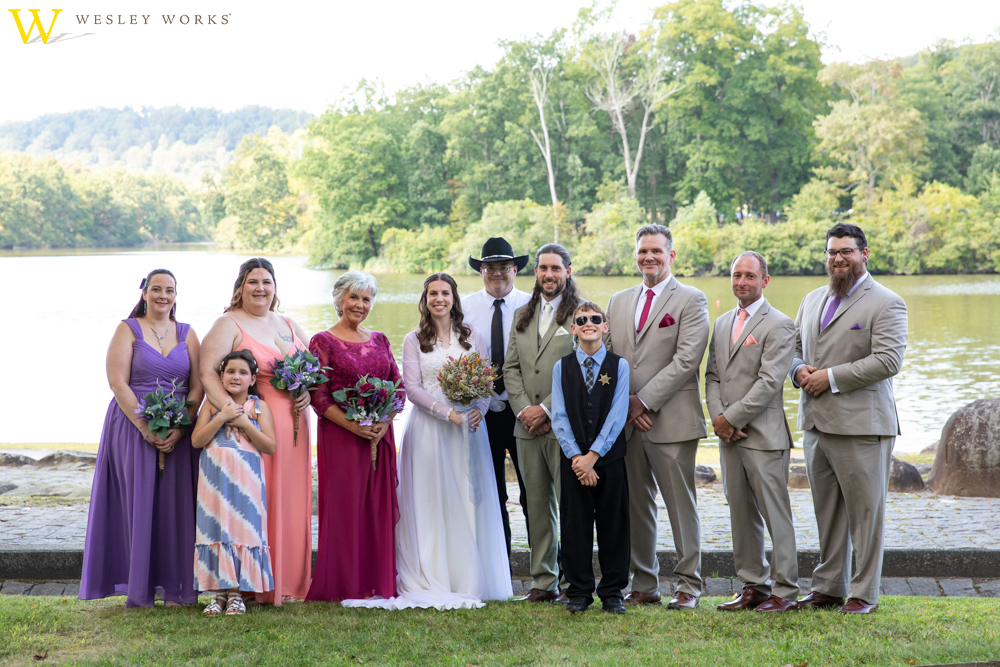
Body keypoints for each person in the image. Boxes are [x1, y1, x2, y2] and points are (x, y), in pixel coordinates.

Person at [343, 273, 512, 610]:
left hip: (469, 431)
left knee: (466, 499)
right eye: (433, 293)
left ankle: (466, 577)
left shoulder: (472, 336)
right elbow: (412, 388)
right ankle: (430, 573)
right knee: (430, 499)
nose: (439, 299)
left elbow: (484, 381)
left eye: (445, 293)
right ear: (425, 299)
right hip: (429, 430)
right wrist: (447, 413)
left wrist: (478, 409)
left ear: (454, 298)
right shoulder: (413, 339)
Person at [790, 223, 907, 615]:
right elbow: (793, 349)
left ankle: (864, 593)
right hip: (816, 423)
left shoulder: (887, 302)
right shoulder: (810, 300)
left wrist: (831, 377)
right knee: (828, 512)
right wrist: (798, 371)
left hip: (863, 426)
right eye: (832, 252)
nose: (838, 258)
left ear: (864, 254)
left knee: (865, 514)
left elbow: (888, 360)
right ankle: (827, 587)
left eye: (846, 251)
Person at [80, 269, 204, 608]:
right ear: (145, 292)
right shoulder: (127, 329)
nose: (163, 295)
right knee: (138, 504)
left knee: (176, 507)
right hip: (132, 425)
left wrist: (182, 426)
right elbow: (117, 382)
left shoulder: (188, 333)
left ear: (176, 296)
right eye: (157, 289)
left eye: (170, 290)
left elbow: (198, 385)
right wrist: (145, 427)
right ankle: (140, 589)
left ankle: (179, 588)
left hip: (179, 429)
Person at [605, 225, 709, 610]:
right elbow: (609, 358)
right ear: (635, 254)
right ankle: (645, 582)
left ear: (671, 255)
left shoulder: (691, 299)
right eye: (643, 251)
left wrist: (643, 401)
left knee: (681, 506)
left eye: (656, 252)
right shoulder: (617, 301)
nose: (649, 257)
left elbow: (687, 360)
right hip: (628, 424)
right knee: (636, 504)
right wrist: (624, 405)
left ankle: (688, 585)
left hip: (671, 420)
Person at [199, 257, 312, 605]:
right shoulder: (228, 323)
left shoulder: (289, 323)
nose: (260, 288)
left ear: (275, 287)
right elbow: (207, 374)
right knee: (256, 503)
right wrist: (233, 414)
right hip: (252, 426)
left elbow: (311, 368)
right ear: (240, 287)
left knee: (291, 500)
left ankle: (289, 582)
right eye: (253, 282)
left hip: (294, 427)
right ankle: (249, 584)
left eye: (266, 281)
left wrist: (308, 391)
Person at [705, 251, 799, 613]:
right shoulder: (722, 322)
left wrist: (732, 419)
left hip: (763, 437)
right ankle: (753, 586)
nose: (741, 281)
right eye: (736, 275)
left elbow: (770, 381)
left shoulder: (779, 323)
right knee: (740, 513)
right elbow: (712, 376)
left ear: (764, 280)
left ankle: (786, 591)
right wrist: (718, 419)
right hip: (728, 436)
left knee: (776, 515)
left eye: (749, 275)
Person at [306, 271, 404, 602]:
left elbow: (398, 385)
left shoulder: (380, 340)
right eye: (353, 297)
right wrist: (355, 427)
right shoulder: (323, 341)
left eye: (366, 299)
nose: (359, 305)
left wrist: (384, 421)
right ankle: (343, 584)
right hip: (342, 438)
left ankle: (376, 583)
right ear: (339, 300)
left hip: (380, 435)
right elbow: (318, 396)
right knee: (345, 509)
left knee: (377, 509)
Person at [504, 244, 582, 603]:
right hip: (526, 428)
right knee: (536, 505)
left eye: (555, 268)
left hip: (564, 425)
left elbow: (584, 369)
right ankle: (543, 581)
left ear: (568, 270)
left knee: (570, 506)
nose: (548, 275)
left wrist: (547, 410)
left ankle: (573, 583)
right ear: (534, 273)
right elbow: (511, 369)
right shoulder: (522, 313)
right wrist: (524, 410)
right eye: (542, 269)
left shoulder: (581, 315)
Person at [551, 302, 631, 615]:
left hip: (608, 459)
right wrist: (577, 458)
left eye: (595, 319)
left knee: (614, 524)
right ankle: (579, 591)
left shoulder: (619, 365)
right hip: (573, 462)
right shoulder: (562, 367)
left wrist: (593, 456)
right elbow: (558, 416)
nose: (588, 323)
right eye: (581, 320)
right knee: (574, 525)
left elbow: (617, 415)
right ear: (573, 328)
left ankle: (612, 592)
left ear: (605, 326)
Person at [191, 350, 276, 616]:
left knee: (241, 531)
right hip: (214, 478)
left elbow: (270, 446)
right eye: (230, 371)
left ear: (252, 379)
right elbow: (196, 441)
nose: (235, 377)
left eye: (242, 372)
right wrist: (222, 417)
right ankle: (218, 595)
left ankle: (237, 594)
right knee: (215, 529)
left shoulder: (259, 407)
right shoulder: (211, 405)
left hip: (245, 480)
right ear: (221, 376)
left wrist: (244, 423)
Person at [463, 237, 532, 559]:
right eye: (489, 267)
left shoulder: (533, 305)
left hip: (524, 411)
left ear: (515, 269)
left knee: (534, 491)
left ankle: (545, 570)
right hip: (482, 412)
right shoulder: (462, 308)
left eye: (504, 267)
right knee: (490, 493)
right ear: (481, 271)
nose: (497, 273)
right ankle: (497, 563)